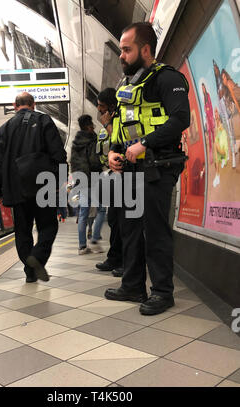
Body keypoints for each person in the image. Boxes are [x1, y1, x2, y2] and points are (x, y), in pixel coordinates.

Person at [104, 22, 190, 315]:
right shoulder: (126, 87)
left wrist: (144, 143)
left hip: (157, 166)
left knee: (154, 230)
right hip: (130, 169)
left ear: (145, 49)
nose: (121, 56)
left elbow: (180, 120)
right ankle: (133, 286)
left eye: (126, 50)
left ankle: (163, 292)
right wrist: (112, 154)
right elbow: (120, 129)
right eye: (120, 50)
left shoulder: (167, 79)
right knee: (129, 229)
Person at [0, 92, 67, 283]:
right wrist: (60, 181)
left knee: (23, 231)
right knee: (48, 226)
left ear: (15, 106)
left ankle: (29, 270)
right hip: (44, 185)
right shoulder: (44, 121)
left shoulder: (5, 128)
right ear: (33, 104)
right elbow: (59, 154)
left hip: (16, 188)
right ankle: (38, 257)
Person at [95, 88, 124, 277]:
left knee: (125, 222)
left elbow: (119, 141)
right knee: (114, 220)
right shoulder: (106, 125)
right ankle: (114, 258)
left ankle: (126, 261)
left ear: (112, 107)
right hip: (112, 177)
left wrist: (108, 126)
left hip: (127, 176)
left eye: (102, 107)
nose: (99, 111)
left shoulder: (122, 120)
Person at [70, 114, 106, 254]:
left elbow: (73, 164)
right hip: (93, 181)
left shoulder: (75, 143)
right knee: (101, 210)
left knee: (83, 213)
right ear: (89, 126)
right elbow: (95, 161)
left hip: (80, 181)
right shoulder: (92, 140)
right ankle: (95, 239)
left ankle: (82, 246)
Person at [213, 108, 229, 188]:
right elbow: (215, 134)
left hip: (222, 138)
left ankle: (224, 157)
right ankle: (217, 175)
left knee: (218, 148)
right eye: (214, 113)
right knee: (215, 146)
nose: (215, 114)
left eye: (216, 112)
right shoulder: (215, 123)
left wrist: (219, 128)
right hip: (218, 140)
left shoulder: (221, 124)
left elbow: (222, 130)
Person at [202, 83, 215, 164]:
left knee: (213, 135)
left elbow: (210, 106)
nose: (203, 89)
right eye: (202, 88)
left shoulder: (208, 95)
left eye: (204, 88)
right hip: (207, 118)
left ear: (205, 88)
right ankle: (211, 157)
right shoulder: (203, 98)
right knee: (209, 137)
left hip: (210, 117)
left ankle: (217, 152)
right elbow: (205, 108)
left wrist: (211, 116)